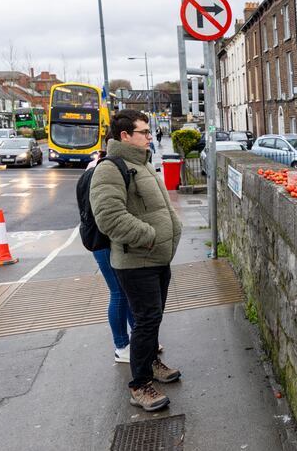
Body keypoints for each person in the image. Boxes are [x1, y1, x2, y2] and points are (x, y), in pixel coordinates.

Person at [90, 110, 183, 412]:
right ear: (125, 136)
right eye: (143, 132)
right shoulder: (110, 168)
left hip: (157, 258)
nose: (149, 137)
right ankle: (139, 385)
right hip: (136, 261)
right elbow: (109, 217)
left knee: (153, 318)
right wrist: (150, 236)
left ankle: (152, 363)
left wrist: (171, 232)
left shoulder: (140, 163)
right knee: (145, 320)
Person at [86, 150, 135, 364]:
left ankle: (138, 339)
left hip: (101, 240)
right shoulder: (102, 173)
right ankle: (121, 346)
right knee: (119, 293)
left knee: (126, 293)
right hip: (104, 241)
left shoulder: (94, 170)